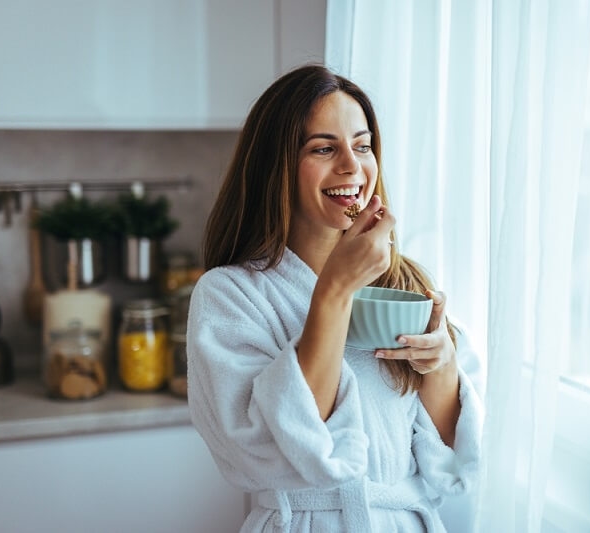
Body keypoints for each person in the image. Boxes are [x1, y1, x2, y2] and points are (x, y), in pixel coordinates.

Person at [187, 64, 483, 532]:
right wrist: (336, 289)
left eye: (363, 146)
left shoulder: (402, 285)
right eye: (324, 148)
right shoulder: (230, 295)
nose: (352, 166)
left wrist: (442, 366)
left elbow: (449, 460)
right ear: (276, 165)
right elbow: (271, 447)